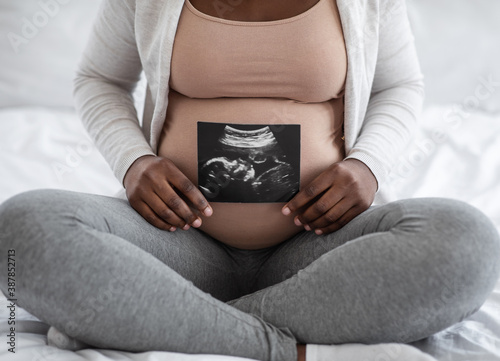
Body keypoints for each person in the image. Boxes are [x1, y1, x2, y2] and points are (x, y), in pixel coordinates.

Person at [1, 0, 499, 360]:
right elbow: (99, 79)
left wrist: (367, 165)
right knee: (21, 230)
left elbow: (400, 86)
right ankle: (285, 348)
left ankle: (155, 318)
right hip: (175, 242)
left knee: (467, 241)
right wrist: (133, 163)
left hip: (319, 250)